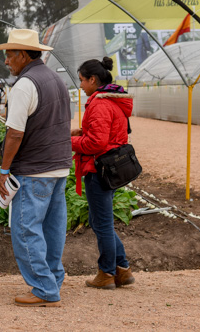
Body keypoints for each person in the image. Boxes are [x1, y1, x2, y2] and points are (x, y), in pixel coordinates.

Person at [0, 28, 72, 307]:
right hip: (59, 166)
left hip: (33, 169)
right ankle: (53, 280)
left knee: (26, 229)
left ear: (24, 55)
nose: (6, 61)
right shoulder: (56, 80)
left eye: (9, 55)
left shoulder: (25, 85)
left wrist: (4, 170)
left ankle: (44, 288)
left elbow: (15, 133)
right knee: (52, 229)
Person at [71, 56, 136, 291]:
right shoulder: (112, 100)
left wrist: (70, 142)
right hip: (109, 168)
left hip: (98, 169)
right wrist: (83, 132)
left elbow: (96, 143)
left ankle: (107, 273)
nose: (80, 85)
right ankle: (122, 269)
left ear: (93, 79)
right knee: (100, 222)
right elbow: (106, 134)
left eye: (82, 80)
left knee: (102, 224)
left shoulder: (99, 103)